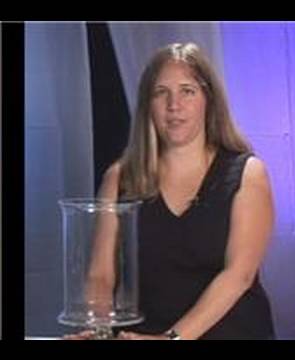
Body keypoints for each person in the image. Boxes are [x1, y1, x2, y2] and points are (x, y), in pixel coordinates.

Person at [65, 42, 275, 340]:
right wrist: (98, 330)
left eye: (187, 91)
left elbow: (237, 276)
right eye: (161, 93)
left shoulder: (248, 174)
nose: (173, 105)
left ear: (208, 100)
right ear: (147, 104)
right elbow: (101, 275)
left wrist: (172, 339)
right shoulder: (120, 178)